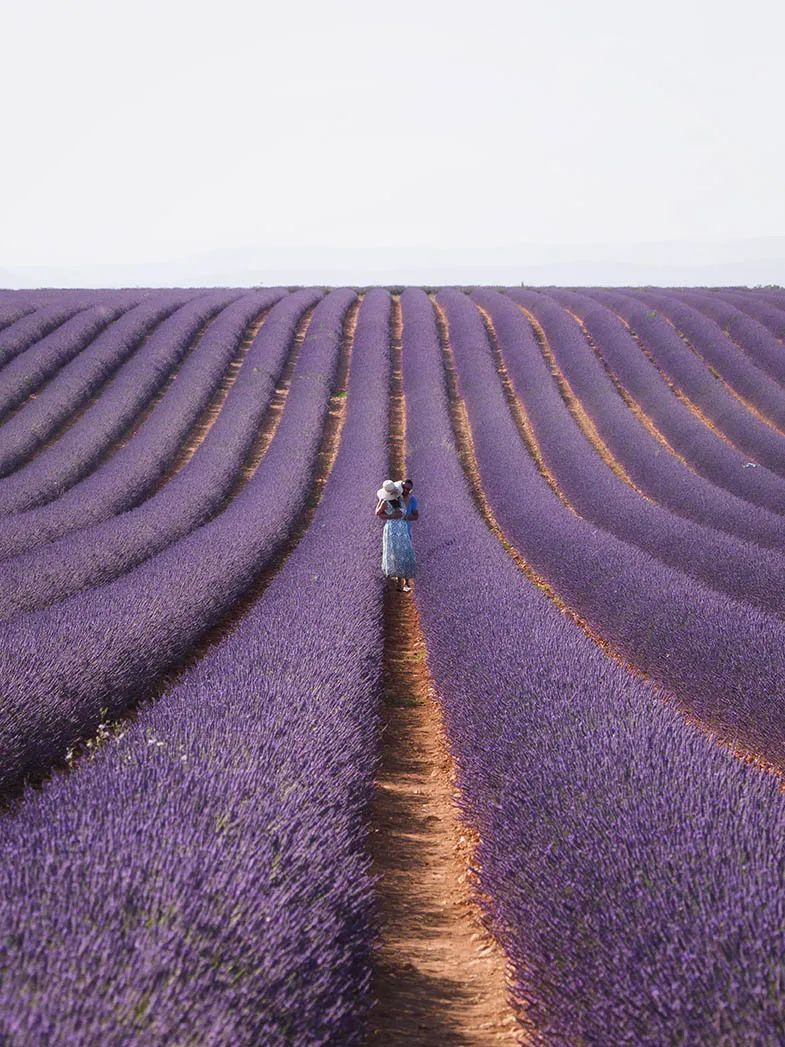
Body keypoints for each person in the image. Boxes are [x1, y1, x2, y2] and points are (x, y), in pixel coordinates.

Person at [375, 479, 417, 592]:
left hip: (397, 528)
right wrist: (392, 516)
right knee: (397, 552)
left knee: (398, 551)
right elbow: (378, 513)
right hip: (396, 528)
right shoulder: (386, 501)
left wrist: (389, 516)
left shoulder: (400, 499)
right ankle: (397, 582)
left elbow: (380, 514)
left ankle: (400, 581)